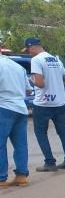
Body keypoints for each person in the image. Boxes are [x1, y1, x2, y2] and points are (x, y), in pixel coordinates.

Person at [24, 37, 65, 171]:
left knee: (40, 132)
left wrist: (32, 80)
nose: (29, 52)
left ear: (32, 47)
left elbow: (40, 83)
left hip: (43, 103)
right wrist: (56, 83)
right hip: (59, 102)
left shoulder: (36, 60)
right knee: (63, 132)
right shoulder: (56, 59)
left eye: (28, 49)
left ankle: (50, 162)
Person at [0, 53, 30, 187]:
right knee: (20, 144)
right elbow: (28, 90)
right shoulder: (18, 67)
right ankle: (21, 175)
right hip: (21, 108)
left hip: (3, 107)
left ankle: (1, 178)